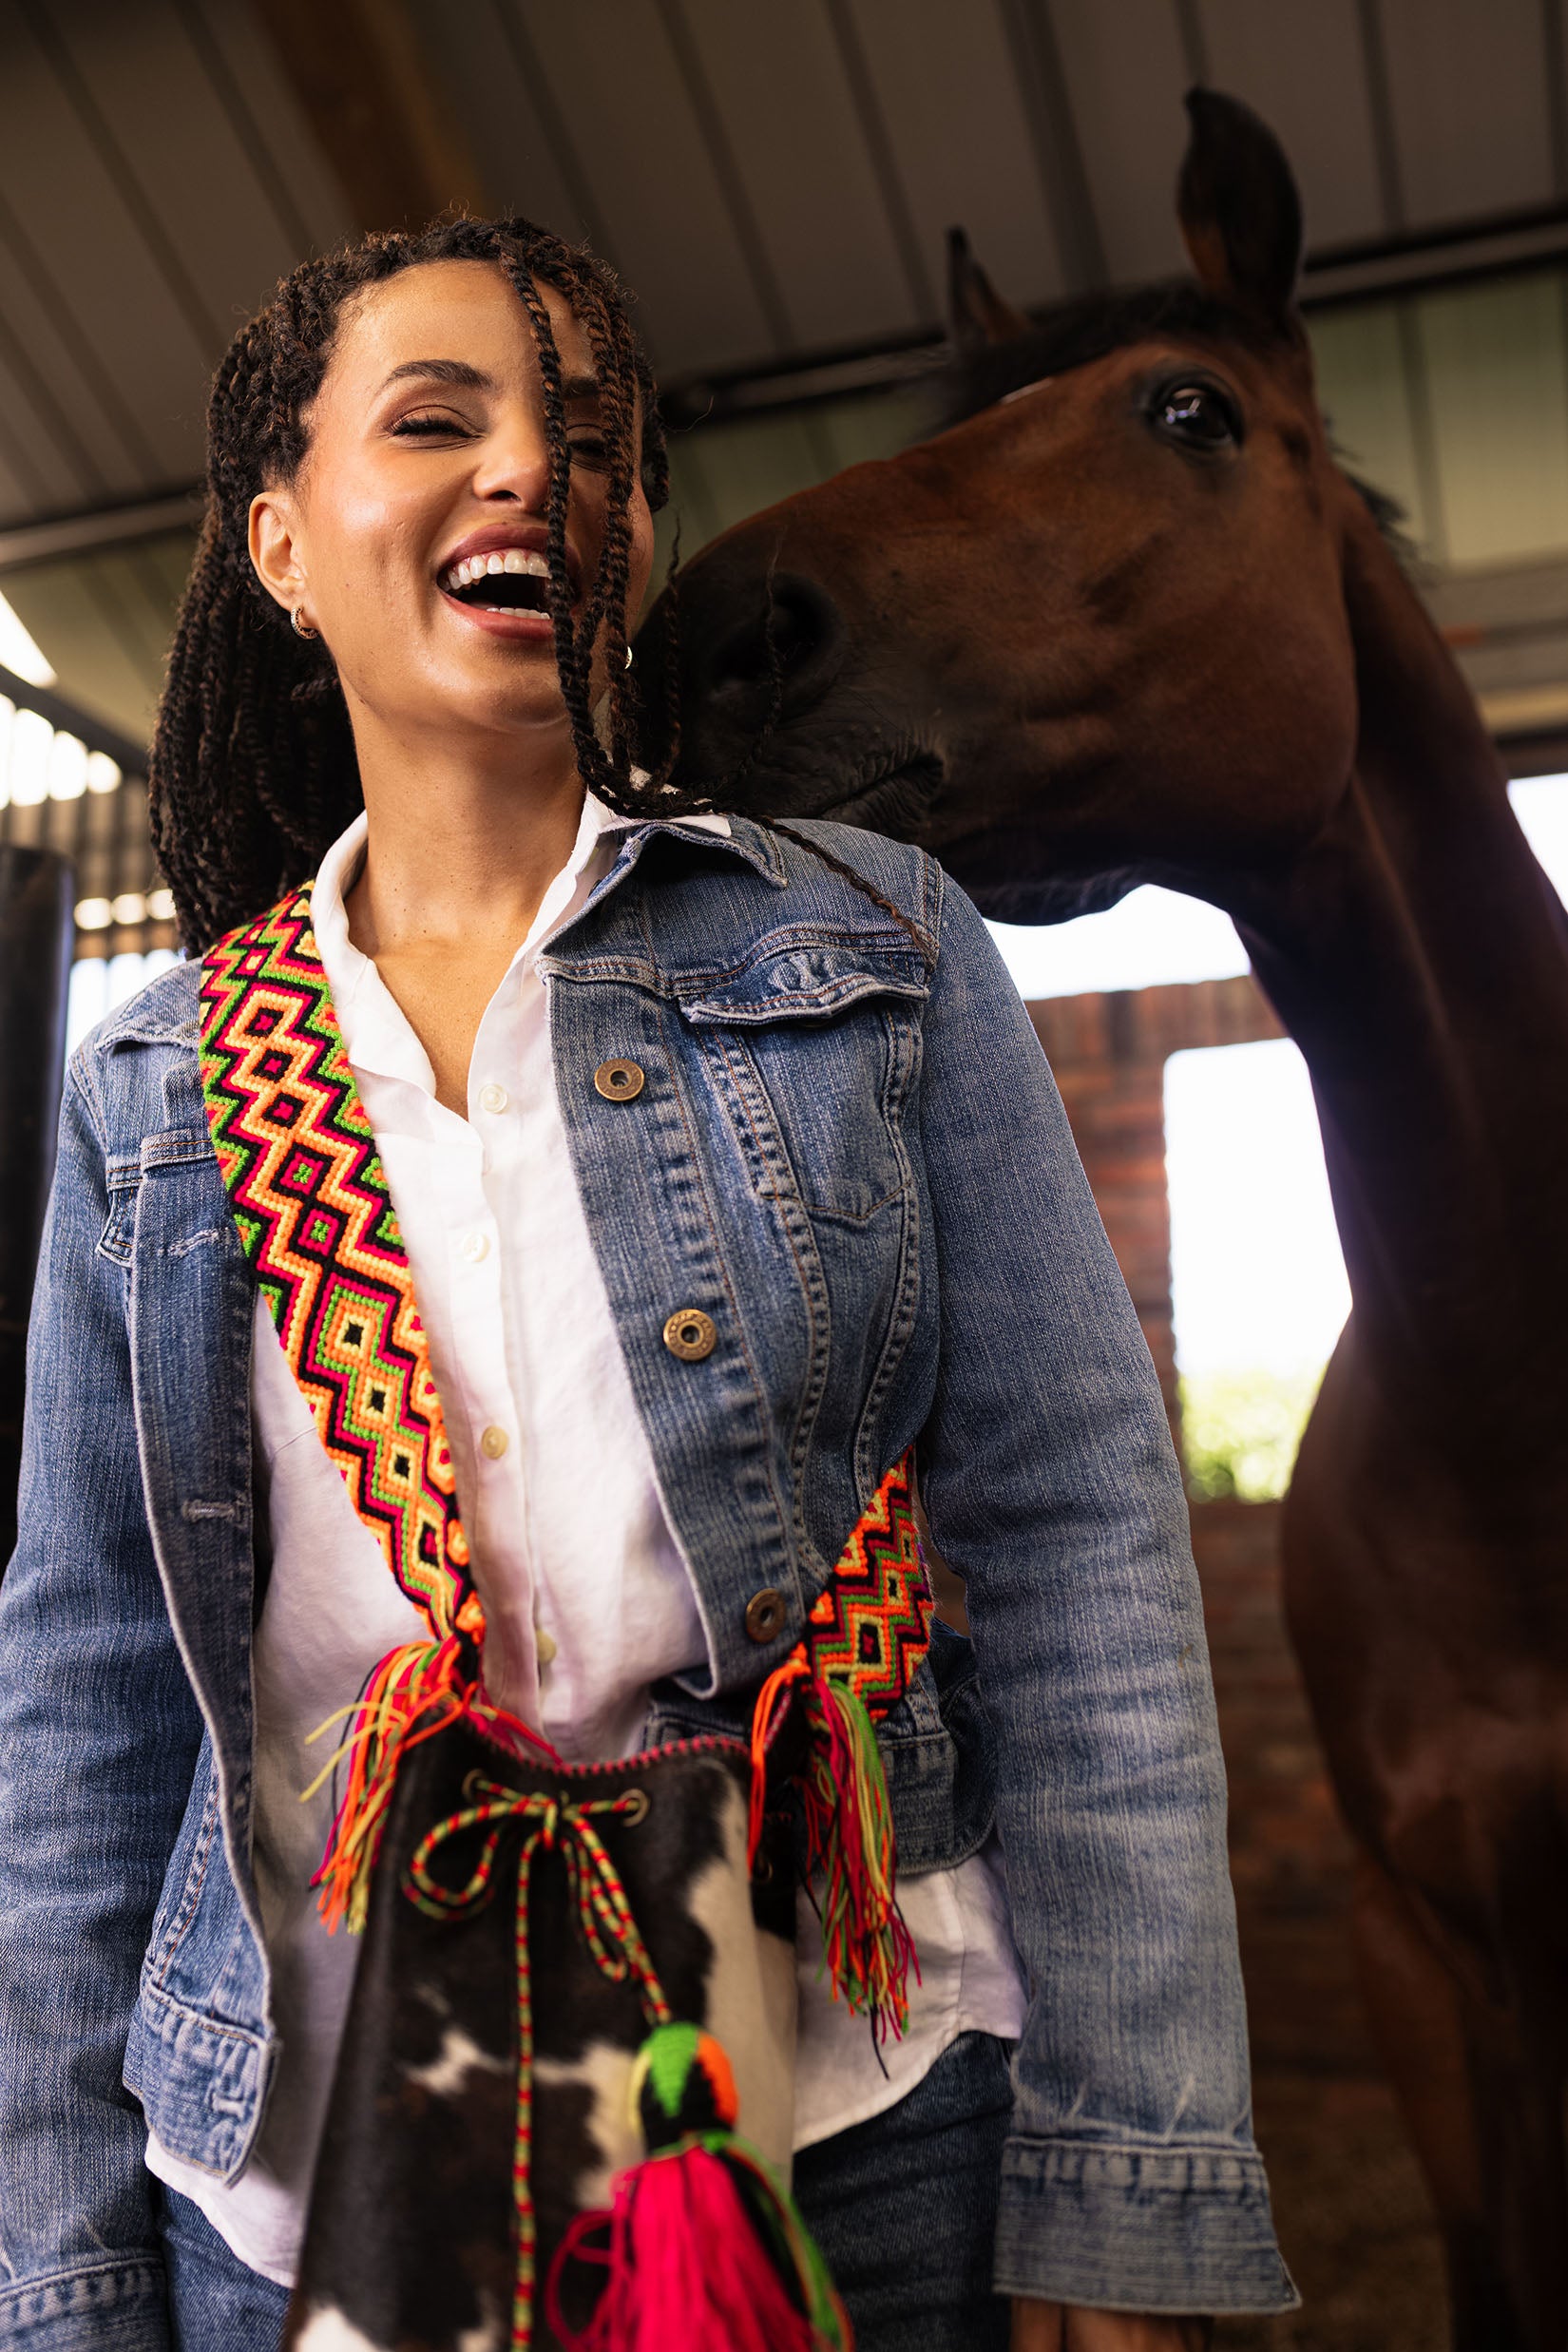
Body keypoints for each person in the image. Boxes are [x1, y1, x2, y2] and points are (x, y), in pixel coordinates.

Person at [0, 217, 1294, 2352]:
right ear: (281, 544)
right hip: (303, 2178)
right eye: (439, 419)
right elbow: (80, 1699)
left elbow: (1080, 1552)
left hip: (858, 2132)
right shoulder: (153, 1088)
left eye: (594, 443)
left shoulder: (879, 944)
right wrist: (56, 2278)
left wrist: (1122, 2169)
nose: (534, 474)